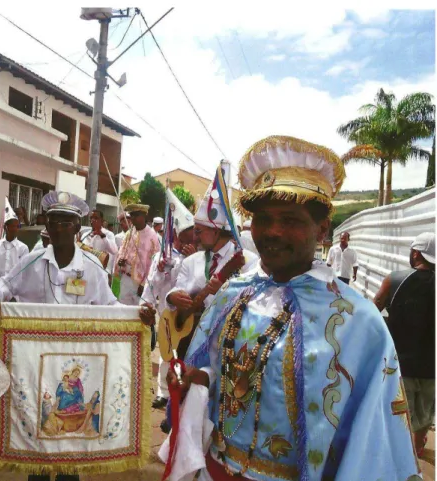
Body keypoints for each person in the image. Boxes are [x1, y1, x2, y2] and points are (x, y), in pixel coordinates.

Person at [167, 135, 420, 480]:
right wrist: (195, 378)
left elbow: (372, 440)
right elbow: (220, 373)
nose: (272, 231)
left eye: (290, 219)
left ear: (322, 229)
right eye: (262, 219)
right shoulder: (232, 295)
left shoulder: (358, 322)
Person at [0, 191, 152, 481]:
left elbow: (111, 306)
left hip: (77, 371)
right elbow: (3, 286)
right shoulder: (31, 262)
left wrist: (139, 314)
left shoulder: (92, 267)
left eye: (65, 222)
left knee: (70, 450)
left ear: (76, 227)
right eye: (53, 221)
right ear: (46, 225)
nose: (58, 228)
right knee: (40, 433)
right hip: (38, 368)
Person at [166, 160, 259, 326]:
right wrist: (172, 297)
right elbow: (178, 288)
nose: (195, 238)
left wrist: (226, 293)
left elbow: (255, 303)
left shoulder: (247, 261)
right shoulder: (190, 261)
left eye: (198, 232)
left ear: (216, 231)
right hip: (190, 336)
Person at [373, 232, 435, 458]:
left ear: (416, 253)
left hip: (400, 361)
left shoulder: (395, 279)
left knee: (400, 410)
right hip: (431, 366)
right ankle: (417, 448)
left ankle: (400, 455)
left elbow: (372, 311)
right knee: (425, 413)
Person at [141, 188, 197, 410]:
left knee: (185, 352)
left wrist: (194, 260)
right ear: (176, 234)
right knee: (166, 353)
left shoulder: (198, 257)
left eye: (193, 233)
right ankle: (164, 393)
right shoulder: (162, 256)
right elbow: (152, 283)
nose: (191, 238)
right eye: (186, 234)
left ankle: (182, 393)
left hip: (189, 314)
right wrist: (147, 302)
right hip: (167, 312)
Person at [115, 204, 160, 305]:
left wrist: (144, 284)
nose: (133, 218)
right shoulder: (129, 233)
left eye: (136, 215)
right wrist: (120, 260)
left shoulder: (152, 236)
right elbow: (122, 251)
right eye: (131, 215)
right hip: (126, 279)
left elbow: (154, 263)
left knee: (138, 313)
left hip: (141, 283)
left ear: (144, 216)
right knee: (123, 309)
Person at [0, 198, 29, 282]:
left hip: (15, 288)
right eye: (11, 226)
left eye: (16, 226)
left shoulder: (23, 248)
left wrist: (11, 285)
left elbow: (23, 270)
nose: (14, 229)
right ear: (5, 227)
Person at [79, 209, 118, 275]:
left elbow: (114, 251)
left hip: (102, 272)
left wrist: (102, 235)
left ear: (102, 220)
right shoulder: (85, 235)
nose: (93, 220)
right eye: (91, 218)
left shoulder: (108, 234)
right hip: (86, 271)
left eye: (96, 218)